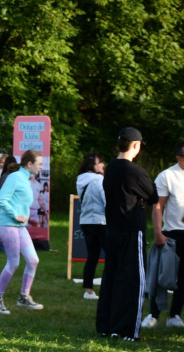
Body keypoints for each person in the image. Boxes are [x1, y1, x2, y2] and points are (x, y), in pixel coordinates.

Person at [96, 127, 158, 340]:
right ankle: (128, 330)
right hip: (132, 231)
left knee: (111, 278)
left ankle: (108, 326)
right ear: (136, 145)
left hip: (112, 229)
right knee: (133, 280)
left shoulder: (111, 168)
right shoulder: (135, 171)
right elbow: (153, 195)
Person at [0, 150, 44, 314]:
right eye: (39, 164)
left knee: (33, 260)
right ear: (30, 164)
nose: (41, 167)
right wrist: (15, 214)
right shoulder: (15, 177)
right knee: (14, 262)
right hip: (8, 225)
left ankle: (24, 297)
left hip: (19, 227)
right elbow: (0, 199)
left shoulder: (26, 179)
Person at [142, 141, 184, 328]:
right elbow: (158, 206)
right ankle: (153, 314)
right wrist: (158, 232)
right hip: (172, 233)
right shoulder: (167, 176)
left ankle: (174, 315)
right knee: (162, 276)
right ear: (178, 157)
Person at [76, 152, 106, 300]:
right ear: (93, 165)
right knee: (112, 256)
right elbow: (107, 201)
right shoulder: (99, 180)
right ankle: (109, 286)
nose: (103, 165)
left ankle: (88, 290)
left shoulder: (80, 180)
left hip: (86, 221)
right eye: (100, 162)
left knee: (92, 257)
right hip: (101, 221)